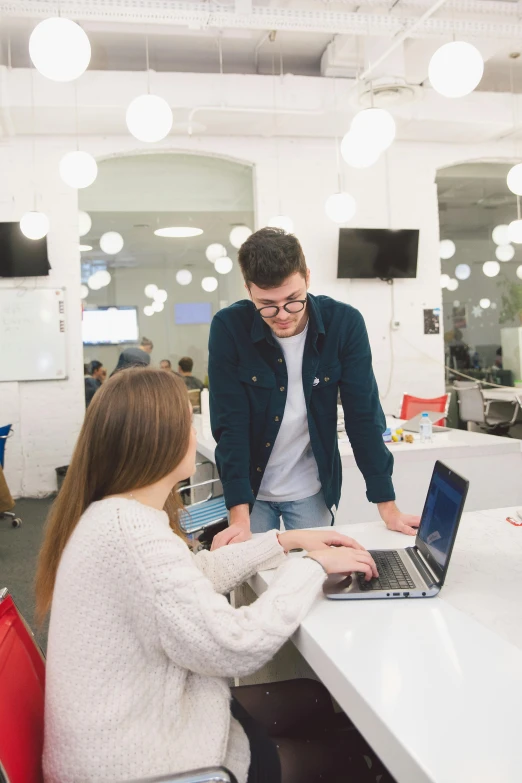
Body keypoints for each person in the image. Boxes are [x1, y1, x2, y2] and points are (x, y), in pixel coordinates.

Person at [35, 367, 385, 783]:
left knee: (313, 699)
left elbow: (190, 573)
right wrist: (312, 567)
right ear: (158, 439)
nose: (196, 433)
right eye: (188, 422)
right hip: (141, 763)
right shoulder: (132, 535)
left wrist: (286, 541)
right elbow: (235, 645)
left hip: (140, 727)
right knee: (347, 755)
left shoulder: (115, 515)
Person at [209, 227, 420, 545]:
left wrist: (388, 507)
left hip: (311, 489)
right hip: (250, 492)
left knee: (317, 578)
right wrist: (239, 518)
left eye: (293, 300)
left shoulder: (344, 324)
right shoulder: (229, 328)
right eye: (267, 304)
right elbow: (230, 425)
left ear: (307, 277)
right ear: (247, 289)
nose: (282, 315)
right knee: (253, 579)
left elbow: (362, 417)